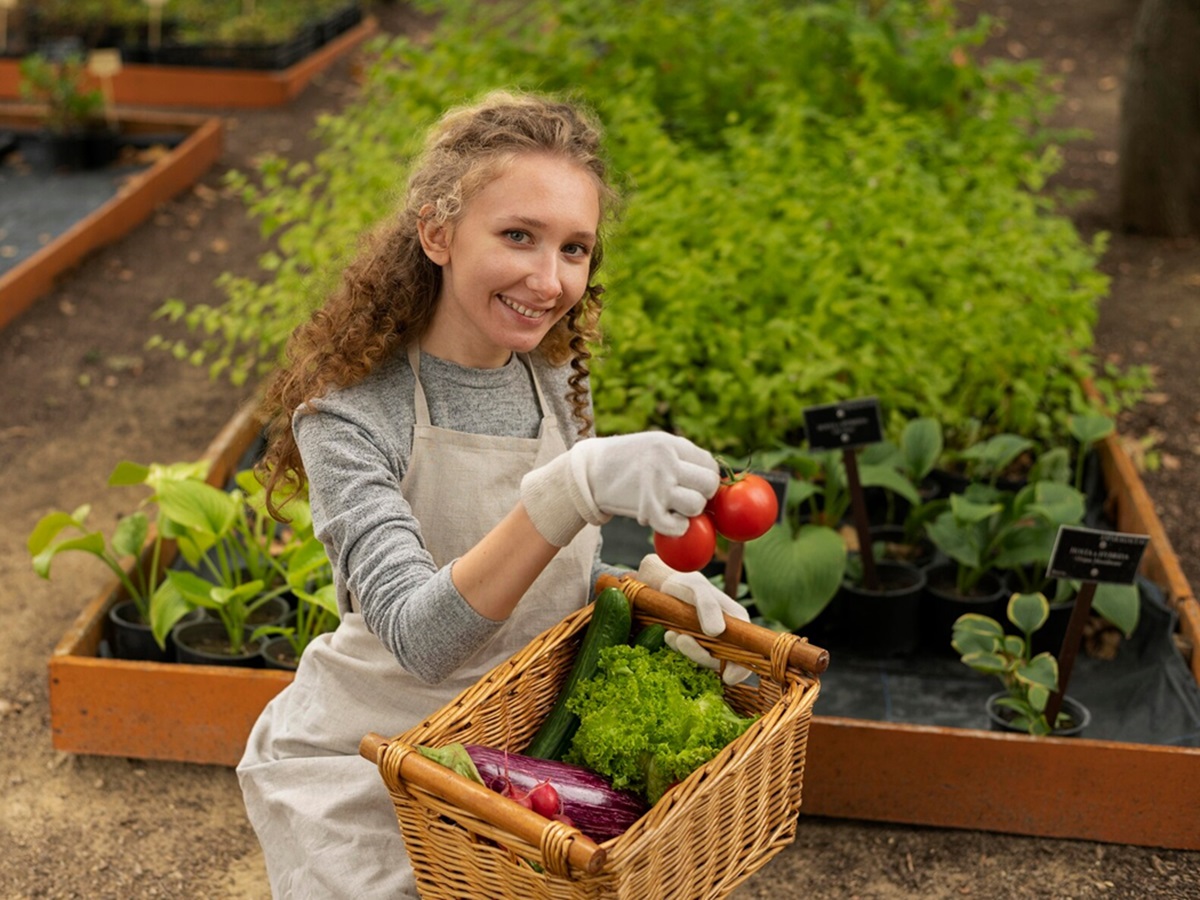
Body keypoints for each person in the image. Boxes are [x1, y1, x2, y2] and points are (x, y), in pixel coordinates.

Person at [237, 90, 750, 899]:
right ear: (437, 233)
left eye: (575, 249)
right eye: (518, 236)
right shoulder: (347, 415)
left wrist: (647, 607)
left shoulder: (554, 384)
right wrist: (569, 490)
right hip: (377, 767)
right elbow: (421, 636)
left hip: (525, 760)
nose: (549, 281)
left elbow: (544, 587)